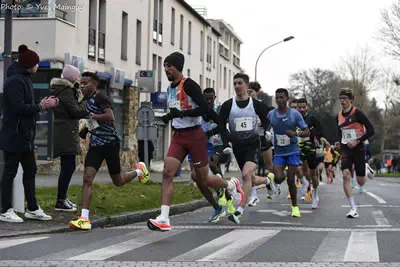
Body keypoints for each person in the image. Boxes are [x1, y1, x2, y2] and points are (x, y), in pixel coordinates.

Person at [147, 52, 243, 231]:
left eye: (169, 66)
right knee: (168, 173)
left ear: (177, 67)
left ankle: (231, 184)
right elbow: (176, 110)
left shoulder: (189, 85)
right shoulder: (170, 88)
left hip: (195, 136)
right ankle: (164, 217)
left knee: (203, 179)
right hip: (178, 137)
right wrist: (168, 117)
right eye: (165, 66)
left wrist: (182, 114)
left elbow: (204, 109)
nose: (166, 70)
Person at [69, 72, 150, 230]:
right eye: (81, 83)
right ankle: (84, 218)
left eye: (86, 83)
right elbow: (91, 123)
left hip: (110, 143)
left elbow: (110, 116)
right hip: (96, 145)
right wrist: (85, 130)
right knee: (87, 178)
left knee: (118, 181)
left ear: (94, 84)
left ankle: (140, 171)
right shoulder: (85, 101)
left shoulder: (101, 97)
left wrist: (92, 116)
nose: (83, 85)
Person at [0, 45, 58, 223]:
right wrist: (41, 106)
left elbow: (25, 106)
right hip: (15, 134)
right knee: (10, 171)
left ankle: (32, 208)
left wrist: (40, 105)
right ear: (29, 65)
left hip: (24, 135)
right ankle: (5, 210)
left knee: (30, 170)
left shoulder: (24, 79)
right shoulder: (15, 81)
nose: (38, 66)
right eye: (36, 63)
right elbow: (18, 108)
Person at [219, 73, 277, 224]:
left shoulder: (256, 104)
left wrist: (268, 131)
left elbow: (267, 119)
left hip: (253, 144)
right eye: (235, 83)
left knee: (245, 175)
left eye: (240, 83)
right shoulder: (228, 105)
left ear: (246, 85)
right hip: (238, 146)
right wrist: (225, 144)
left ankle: (239, 211)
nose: (237, 86)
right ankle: (267, 181)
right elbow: (220, 126)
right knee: (250, 179)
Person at [51, 64, 89, 211]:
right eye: (77, 77)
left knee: (68, 165)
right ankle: (60, 200)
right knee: (68, 166)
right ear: (73, 78)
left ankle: (62, 198)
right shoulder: (66, 91)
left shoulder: (64, 90)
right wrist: (85, 107)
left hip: (65, 130)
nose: (79, 79)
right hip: (66, 132)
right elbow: (74, 111)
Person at [268, 88, 310, 217]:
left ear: (287, 99)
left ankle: (294, 206)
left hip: (292, 151)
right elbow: (265, 127)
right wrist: (266, 134)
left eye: (282, 97)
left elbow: (307, 131)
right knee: (279, 178)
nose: (279, 100)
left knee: (291, 180)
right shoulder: (271, 114)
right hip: (279, 152)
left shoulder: (294, 114)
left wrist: (295, 133)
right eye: (277, 97)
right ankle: (279, 175)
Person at [337, 88, 375, 218]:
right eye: (341, 98)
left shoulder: (357, 114)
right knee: (346, 175)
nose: (342, 101)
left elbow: (371, 130)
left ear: (351, 100)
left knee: (360, 182)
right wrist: (339, 142)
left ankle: (364, 167)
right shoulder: (338, 116)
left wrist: (358, 141)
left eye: (345, 98)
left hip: (358, 148)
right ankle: (353, 208)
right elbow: (340, 131)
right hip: (346, 148)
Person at [247, 81, 275, 205]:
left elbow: (268, 121)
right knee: (250, 168)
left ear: (256, 92)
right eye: (247, 91)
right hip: (250, 139)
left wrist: (267, 129)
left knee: (270, 166)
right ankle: (253, 195)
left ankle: (270, 181)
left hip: (263, 138)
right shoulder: (243, 106)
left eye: (251, 92)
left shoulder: (261, 105)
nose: (249, 94)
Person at [296, 98, 326, 208]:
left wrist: (311, 132)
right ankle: (305, 183)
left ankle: (315, 194)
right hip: (298, 148)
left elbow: (321, 132)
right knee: (299, 169)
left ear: (307, 107)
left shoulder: (312, 118)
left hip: (310, 148)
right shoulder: (294, 118)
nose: (302, 109)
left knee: (313, 174)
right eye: (299, 107)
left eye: (304, 107)